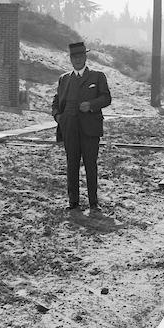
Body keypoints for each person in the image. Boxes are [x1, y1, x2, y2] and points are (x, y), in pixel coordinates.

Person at [51, 41, 112, 212]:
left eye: (80, 56)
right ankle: (73, 202)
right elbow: (56, 102)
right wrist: (58, 117)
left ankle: (93, 203)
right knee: (72, 165)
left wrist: (91, 105)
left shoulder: (97, 76)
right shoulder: (64, 79)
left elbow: (106, 98)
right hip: (69, 128)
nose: (77, 60)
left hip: (90, 129)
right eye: (74, 57)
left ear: (85, 57)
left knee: (90, 165)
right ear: (70, 59)